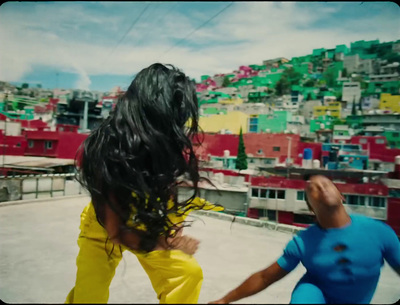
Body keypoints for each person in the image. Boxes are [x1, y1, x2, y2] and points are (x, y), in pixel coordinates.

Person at [65, 63, 224, 304]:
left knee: (187, 274)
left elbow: (166, 187)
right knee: (88, 297)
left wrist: (173, 228)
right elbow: (117, 232)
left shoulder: (160, 142)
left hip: (147, 215)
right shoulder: (104, 147)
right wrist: (164, 243)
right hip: (102, 225)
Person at [210, 175, 400, 304]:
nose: (321, 187)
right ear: (310, 208)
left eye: (326, 184)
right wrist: (225, 300)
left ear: (341, 196)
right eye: (313, 189)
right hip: (317, 294)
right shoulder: (303, 243)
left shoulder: (379, 232)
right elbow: (265, 276)